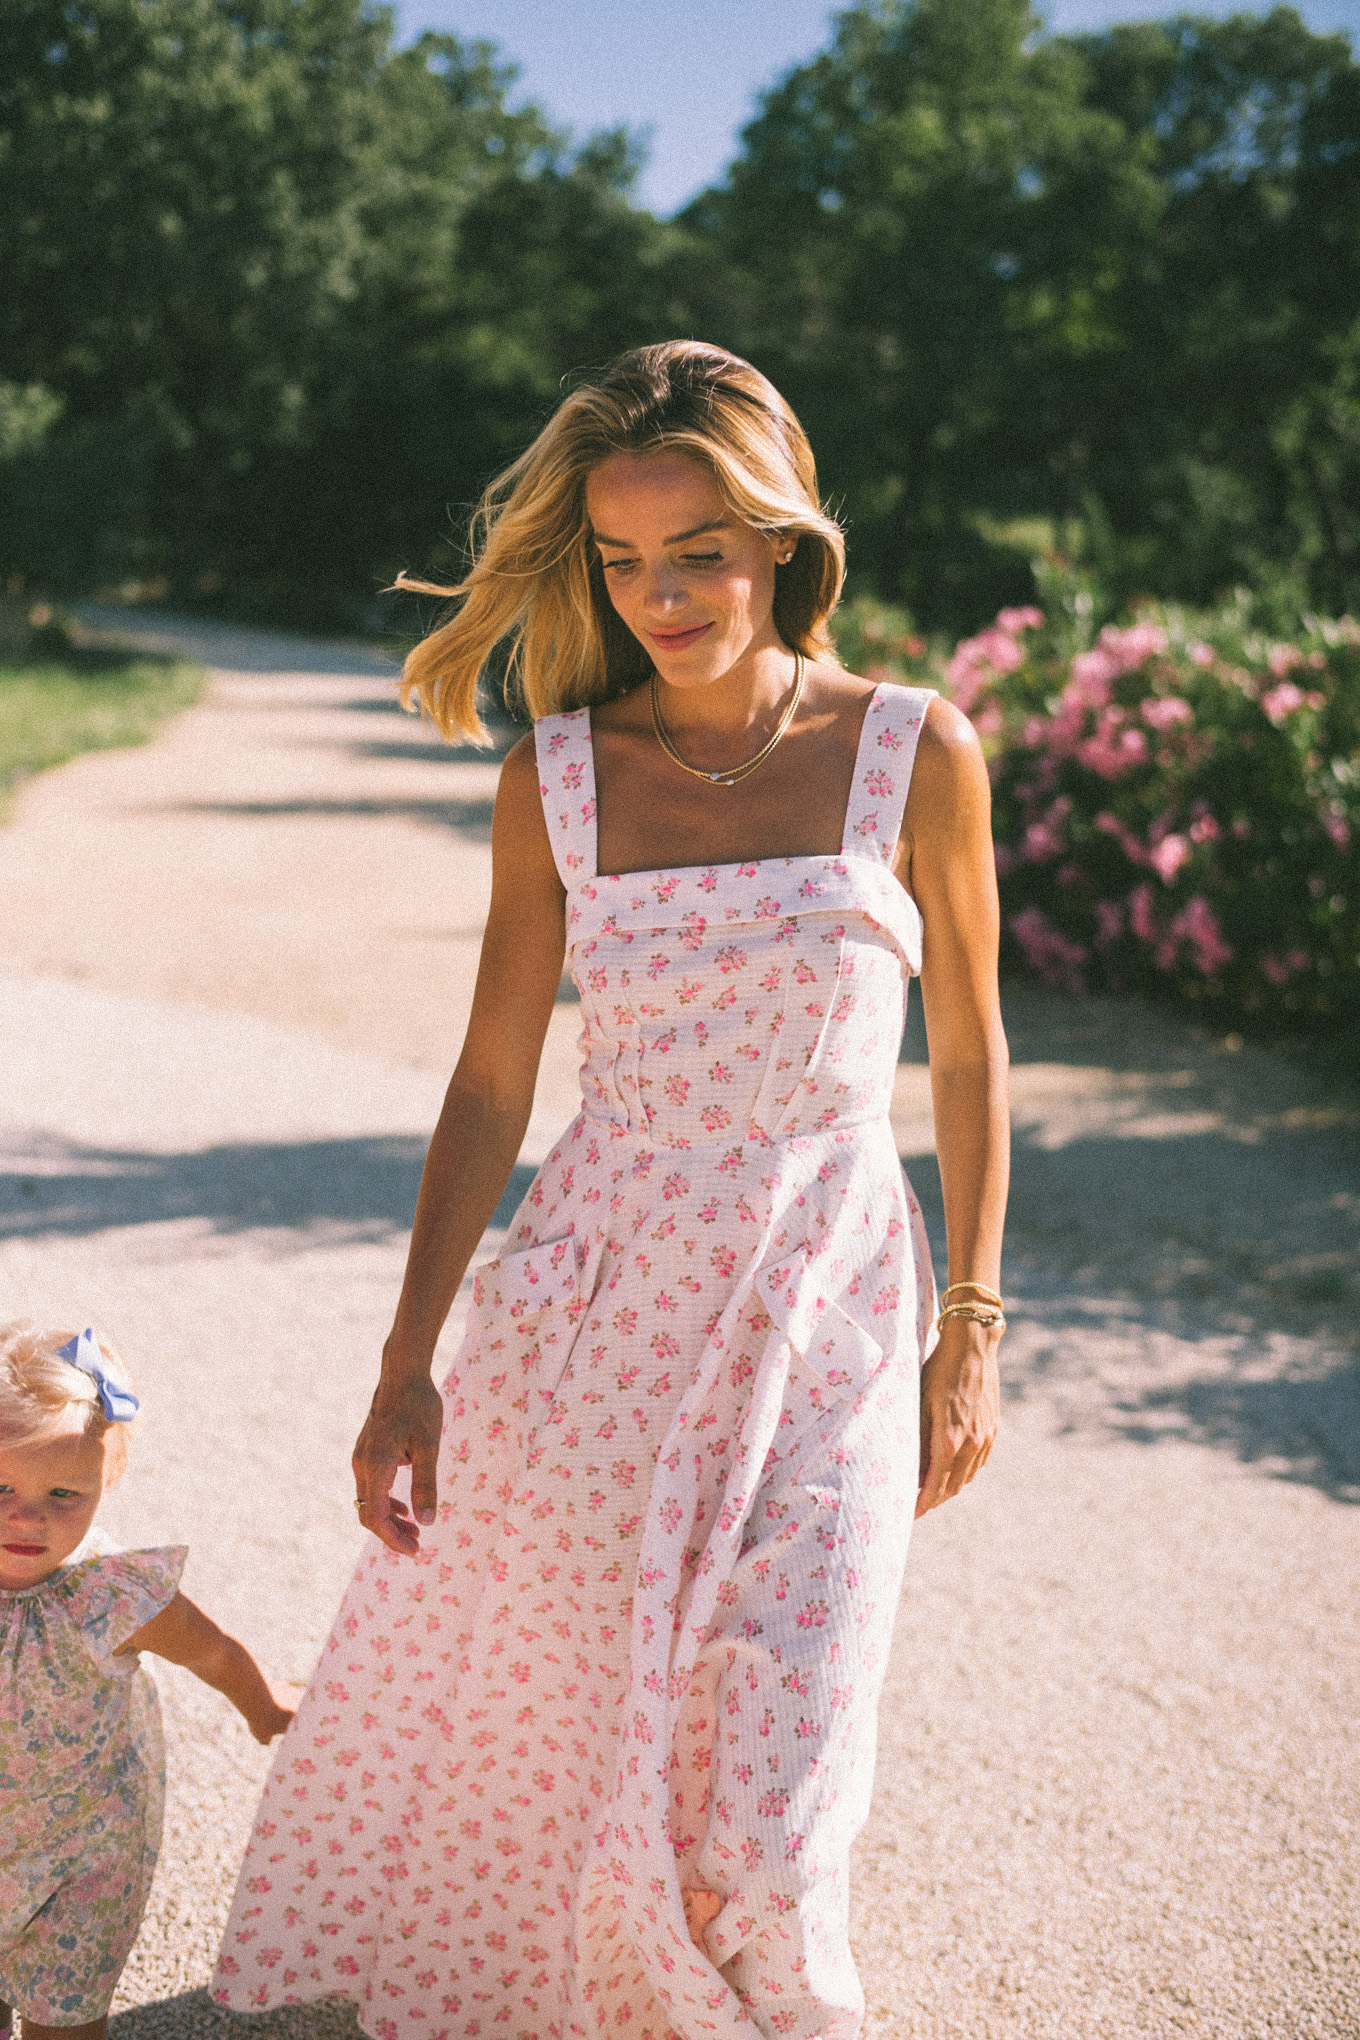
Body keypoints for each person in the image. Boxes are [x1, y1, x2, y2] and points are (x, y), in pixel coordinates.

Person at [213, 340, 1008, 2040]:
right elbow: (494, 1084)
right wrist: (405, 1359)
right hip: (599, 1313)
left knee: (776, 1778)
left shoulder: (913, 754)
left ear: (781, 538)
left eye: (701, 554)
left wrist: (977, 1323)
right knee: (590, 1731)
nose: (662, 596)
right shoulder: (555, 782)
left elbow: (971, 1052)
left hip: (834, 1308)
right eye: (624, 560)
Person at [0, 1322, 293, 2040]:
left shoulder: (112, 1594)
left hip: (84, 1854)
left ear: (108, 1476)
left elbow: (213, 1651)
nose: (26, 1515)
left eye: (63, 1492)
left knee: (64, 2020)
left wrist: (263, 1708)